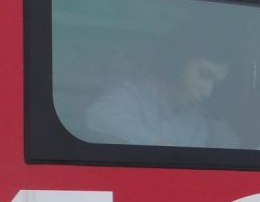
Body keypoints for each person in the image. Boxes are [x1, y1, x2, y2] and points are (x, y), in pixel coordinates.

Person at [84, 49, 241, 148]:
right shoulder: (132, 95)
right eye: (204, 74)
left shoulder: (200, 121)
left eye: (216, 84)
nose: (207, 92)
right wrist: (159, 145)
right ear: (179, 62)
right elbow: (98, 116)